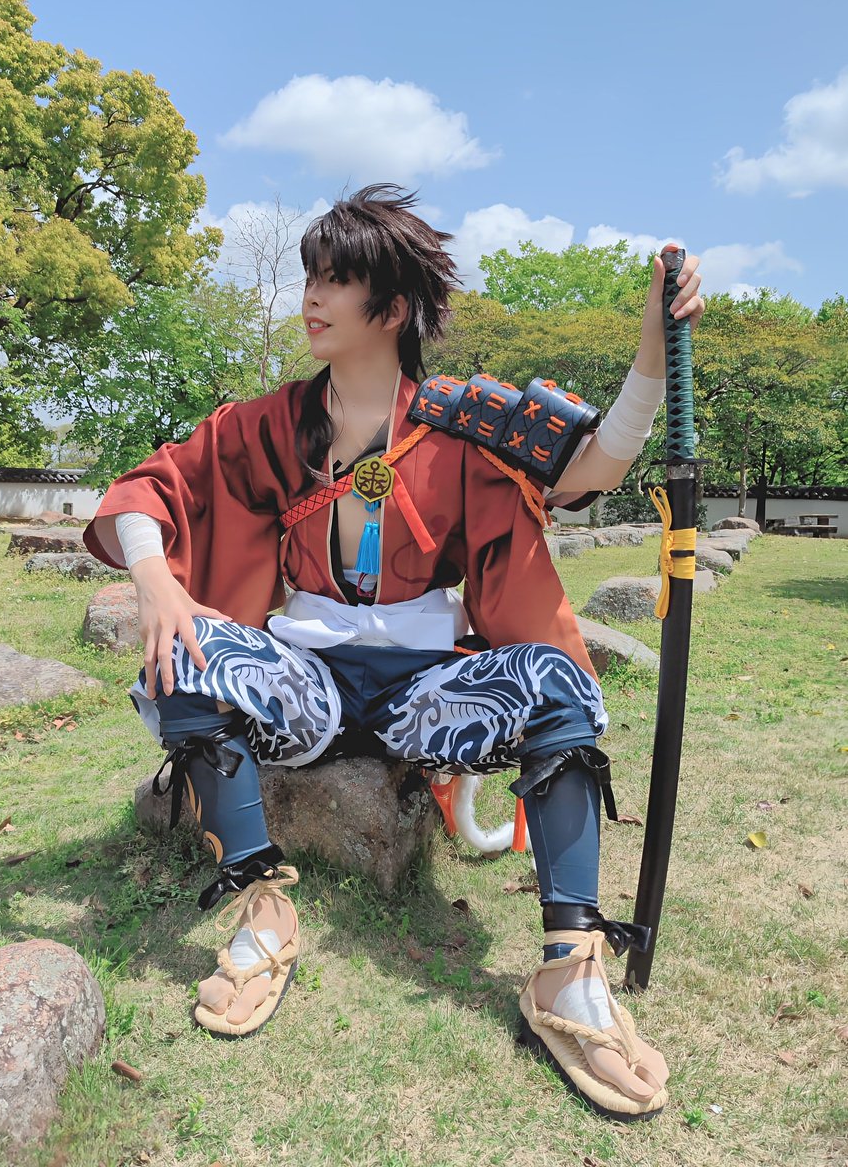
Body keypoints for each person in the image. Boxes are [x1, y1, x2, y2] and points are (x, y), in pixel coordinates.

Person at [84, 184, 704, 1119]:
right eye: (311, 276)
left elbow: (597, 462)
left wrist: (653, 343)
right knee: (183, 652)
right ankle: (263, 908)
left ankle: (568, 972)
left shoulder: (464, 421)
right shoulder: (268, 423)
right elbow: (148, 488)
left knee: (553, 682)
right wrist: (157, 585)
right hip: (303, 687)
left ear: (393, 308)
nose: (311, 296)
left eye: (336, 279)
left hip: (426, 694)